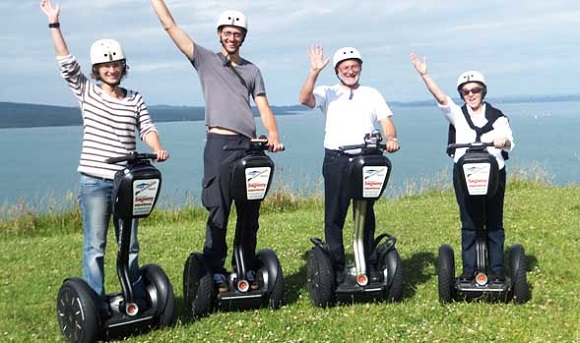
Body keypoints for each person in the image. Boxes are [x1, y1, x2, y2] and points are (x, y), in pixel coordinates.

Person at [40, 0, 169, 314]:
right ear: (97, 69)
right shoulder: (87, 91)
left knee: (130, 245)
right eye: (106, 65)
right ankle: (95, 305)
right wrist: (54, 24)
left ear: (124, 66)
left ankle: (135, 298)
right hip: (95, 182)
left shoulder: (134, 98)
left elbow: (147, 127)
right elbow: (66, 65)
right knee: (95, 247)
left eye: (117, 64)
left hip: (127, 181)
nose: (112, 69)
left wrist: (157, 146)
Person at [150, 1, 284, 293]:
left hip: (249, 147)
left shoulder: (252, 70)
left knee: (249, 214)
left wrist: (272, 133)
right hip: (219, 145)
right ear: (219, 34)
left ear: (243, 37)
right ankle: (215, 269)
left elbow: (262, 105)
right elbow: (171, 27)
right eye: (227, 32)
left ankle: (245, 266)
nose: (232, 37)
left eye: (237, 33)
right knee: (218, 212)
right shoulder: (205, 59)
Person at [299, 45, 400, 284]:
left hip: (368, 158)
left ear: (360, 68)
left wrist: (391, 138)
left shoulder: (372, 93)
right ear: (337, 71)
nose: (350, 70)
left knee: (365, 212)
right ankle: (334, 267)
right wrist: (313, 72)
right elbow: (304, 99)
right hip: (337, 159)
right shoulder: (328, 91)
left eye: (354, 66)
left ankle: (365, 261)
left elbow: (386, 121)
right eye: (345, 67)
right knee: (335, 214)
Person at [410, 52, 514, 283]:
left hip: (494, 173)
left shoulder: (497, 117)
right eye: (466, 91)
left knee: (494, 222)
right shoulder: (458, 115)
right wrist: (424, 74)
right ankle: (469, 271)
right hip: (465, 174)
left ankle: (497, 271)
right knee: (469, 222)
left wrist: (501, 141)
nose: (471, 95)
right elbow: (440, 98)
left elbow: (508, 139)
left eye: (475, 90)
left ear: (482, 91)